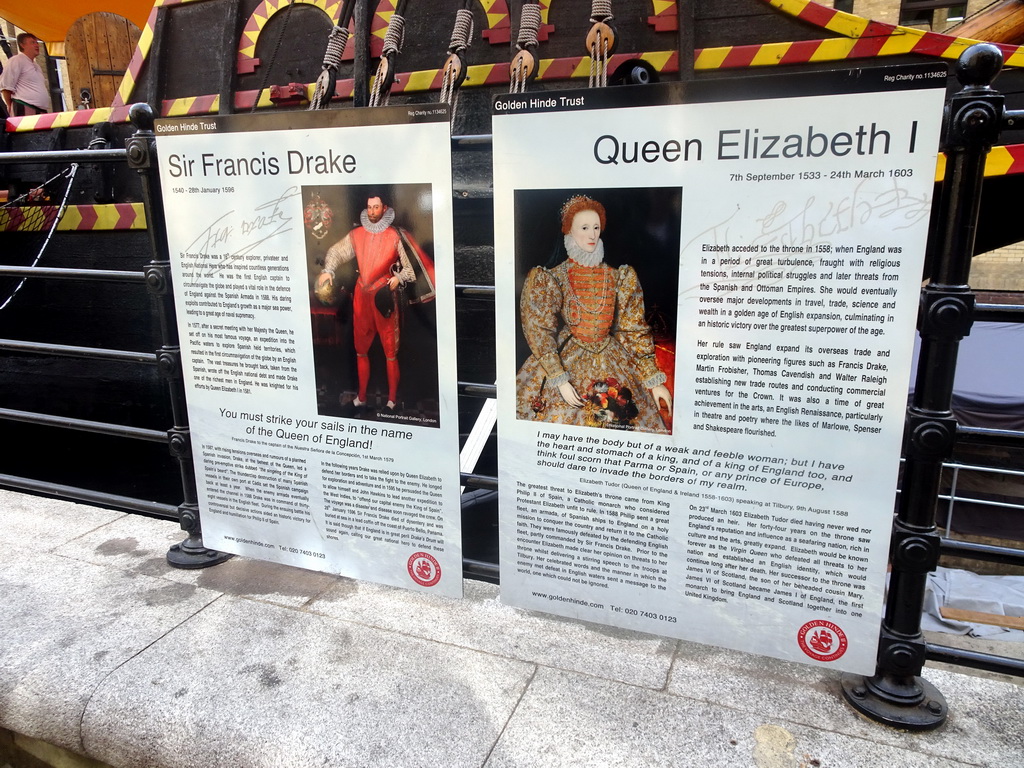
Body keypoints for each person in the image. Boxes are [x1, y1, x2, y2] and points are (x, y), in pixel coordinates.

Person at [516, 194, 672, 433]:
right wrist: (560, 379)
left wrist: (653, 381)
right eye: (585, 227)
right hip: (568, 356)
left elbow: (632, 328)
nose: (592, 235)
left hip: (613, 357)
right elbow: (539, 330)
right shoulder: (551, 278)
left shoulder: (619, 276)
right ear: (569, 230)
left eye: (596, 227)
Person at [316, 195, 434, 413]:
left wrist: (398, 279)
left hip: (383, 297)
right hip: (362, 297)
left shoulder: (394, 236)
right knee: (361, 350)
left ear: (384, 208)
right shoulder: (356, 235)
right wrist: (327, 271)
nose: (371, 211)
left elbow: (409, 269)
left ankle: (391, 401)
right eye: (369, 207)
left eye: (376, 207)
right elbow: (335, 252)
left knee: (391, 352)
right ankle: (361, 397)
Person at [1, 34, 51, 116]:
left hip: (40, 110)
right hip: (24, 106)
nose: (36, 45)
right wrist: (11, 106)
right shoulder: (16, 60)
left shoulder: (36, 65)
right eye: (32, 42)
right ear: (22, 45)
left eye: (36, 42)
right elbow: (6, 87)